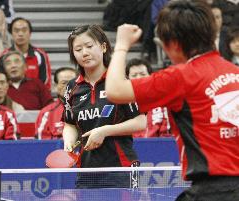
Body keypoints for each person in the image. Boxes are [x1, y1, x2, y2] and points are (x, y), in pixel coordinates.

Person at [106, 0, 239, 200]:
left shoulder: (180, 76)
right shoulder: (235, 72)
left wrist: (122, 45)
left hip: (214, 191)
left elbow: (115, 90)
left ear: (174, 44)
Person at [63, 24, 146, 189]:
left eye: (89, 46)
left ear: (103, 46)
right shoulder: (72, 88)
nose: (84, 53)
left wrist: (104, 131)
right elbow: (69, 124)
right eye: (78, 49)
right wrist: (68, 141)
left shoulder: (120, 82)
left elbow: (140, 122)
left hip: (121, 168)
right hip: (86, 170)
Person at [0, 17, 52, 89]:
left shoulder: (40, 55)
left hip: (35, 97)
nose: (20, 34)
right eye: (16, 31)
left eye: (24, 30)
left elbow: (46, 82)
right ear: (11, 33)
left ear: (30, 33)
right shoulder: (2, 57)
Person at [125, 58, 172, 138]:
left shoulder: (163, 103)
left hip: (158, 148)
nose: (139, 78)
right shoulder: (121, 105)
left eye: (143, 74)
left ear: (151, 76)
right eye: (134, 75)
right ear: (127, 79)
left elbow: (167, 136)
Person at [35, 67, 77, 140]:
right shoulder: (46, 113)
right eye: (64, 83)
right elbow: (41, 145)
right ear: (55, 86)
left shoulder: (89, 108)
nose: (69, 86)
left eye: (73, 82)